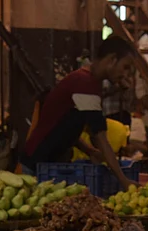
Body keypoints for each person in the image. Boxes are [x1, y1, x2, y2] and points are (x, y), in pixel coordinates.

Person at [19, 36, 139, 190]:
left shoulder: (89, 82)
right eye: (126, 67)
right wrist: (123, 180)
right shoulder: (84, 83)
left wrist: (89, 151)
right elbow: (99, 136)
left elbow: (65, 124)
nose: (126, 75)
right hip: (37, 166)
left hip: (49, 164)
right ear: (112, 60)